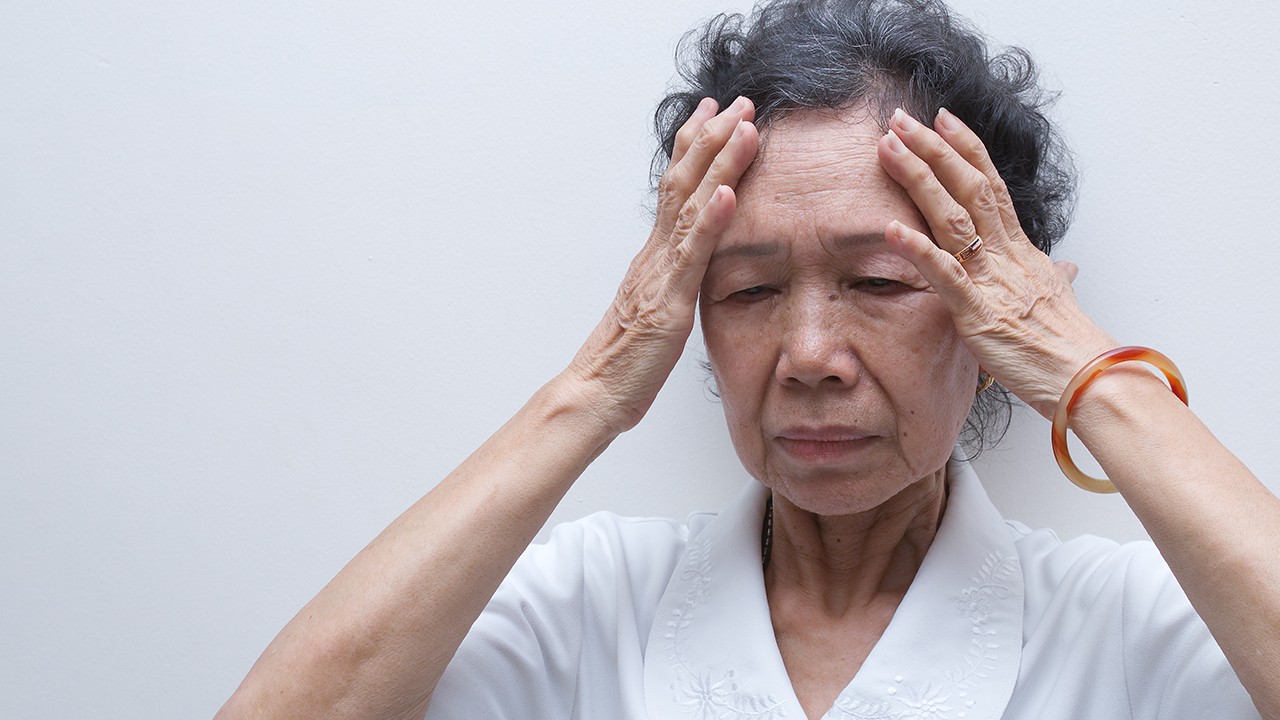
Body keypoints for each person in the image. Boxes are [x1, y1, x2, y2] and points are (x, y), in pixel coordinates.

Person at [216, 0, 1279, 718]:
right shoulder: (588, 604)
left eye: (877, 283)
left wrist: (1080, 369)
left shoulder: (1133, 627)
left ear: (995, 309)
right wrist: (590, 390)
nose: (809, 355)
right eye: (747, 291)